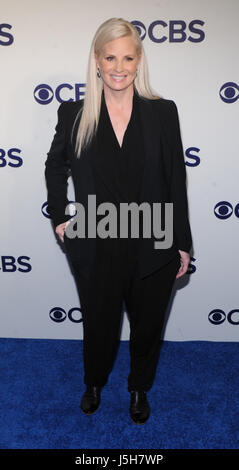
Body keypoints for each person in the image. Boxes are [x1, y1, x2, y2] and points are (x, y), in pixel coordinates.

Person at [45, 17, 192, 425]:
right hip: (97, 239)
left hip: (155, 239)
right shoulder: (74, 113)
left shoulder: (163, 113)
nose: (119, 66)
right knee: (99, 326)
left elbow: (175, 178)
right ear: (96, 59)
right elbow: (55, 167)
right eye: (110, 56)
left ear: (139, 60)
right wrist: (60, 217)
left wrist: (183, 241)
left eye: (128, 57)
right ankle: (94, 382)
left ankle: (139, 389)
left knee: (147, 329)